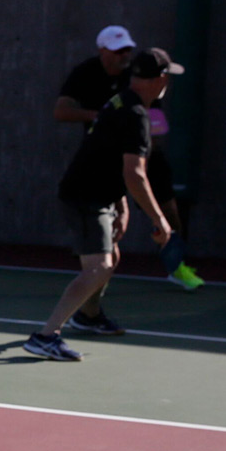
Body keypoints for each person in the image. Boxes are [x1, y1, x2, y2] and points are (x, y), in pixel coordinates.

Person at [24, 48, 183, 362]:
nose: (168, 82)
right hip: (85, 197)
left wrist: (120, 204)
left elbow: (106, 155)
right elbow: (135, 174)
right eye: (167, 77)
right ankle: (46, 336)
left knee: (111, 256)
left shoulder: (120, 101)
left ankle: (88, 315)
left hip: (96, 193)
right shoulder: (136, 115)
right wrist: (160, 220)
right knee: (100, 266)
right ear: (161, 79)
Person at [54, 26, 203, 291]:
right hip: (104, 160)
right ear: (103, 51)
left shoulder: (139, 79)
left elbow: (156, 124)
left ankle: (176, 266)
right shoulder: (85, 73)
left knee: (170, 211)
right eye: (118, 50)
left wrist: (136, 134)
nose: (124, 55)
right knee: (107, 235)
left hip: (144, 156)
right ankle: (91, 288)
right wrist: (103, 118)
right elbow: (61, 111)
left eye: (127, 50)